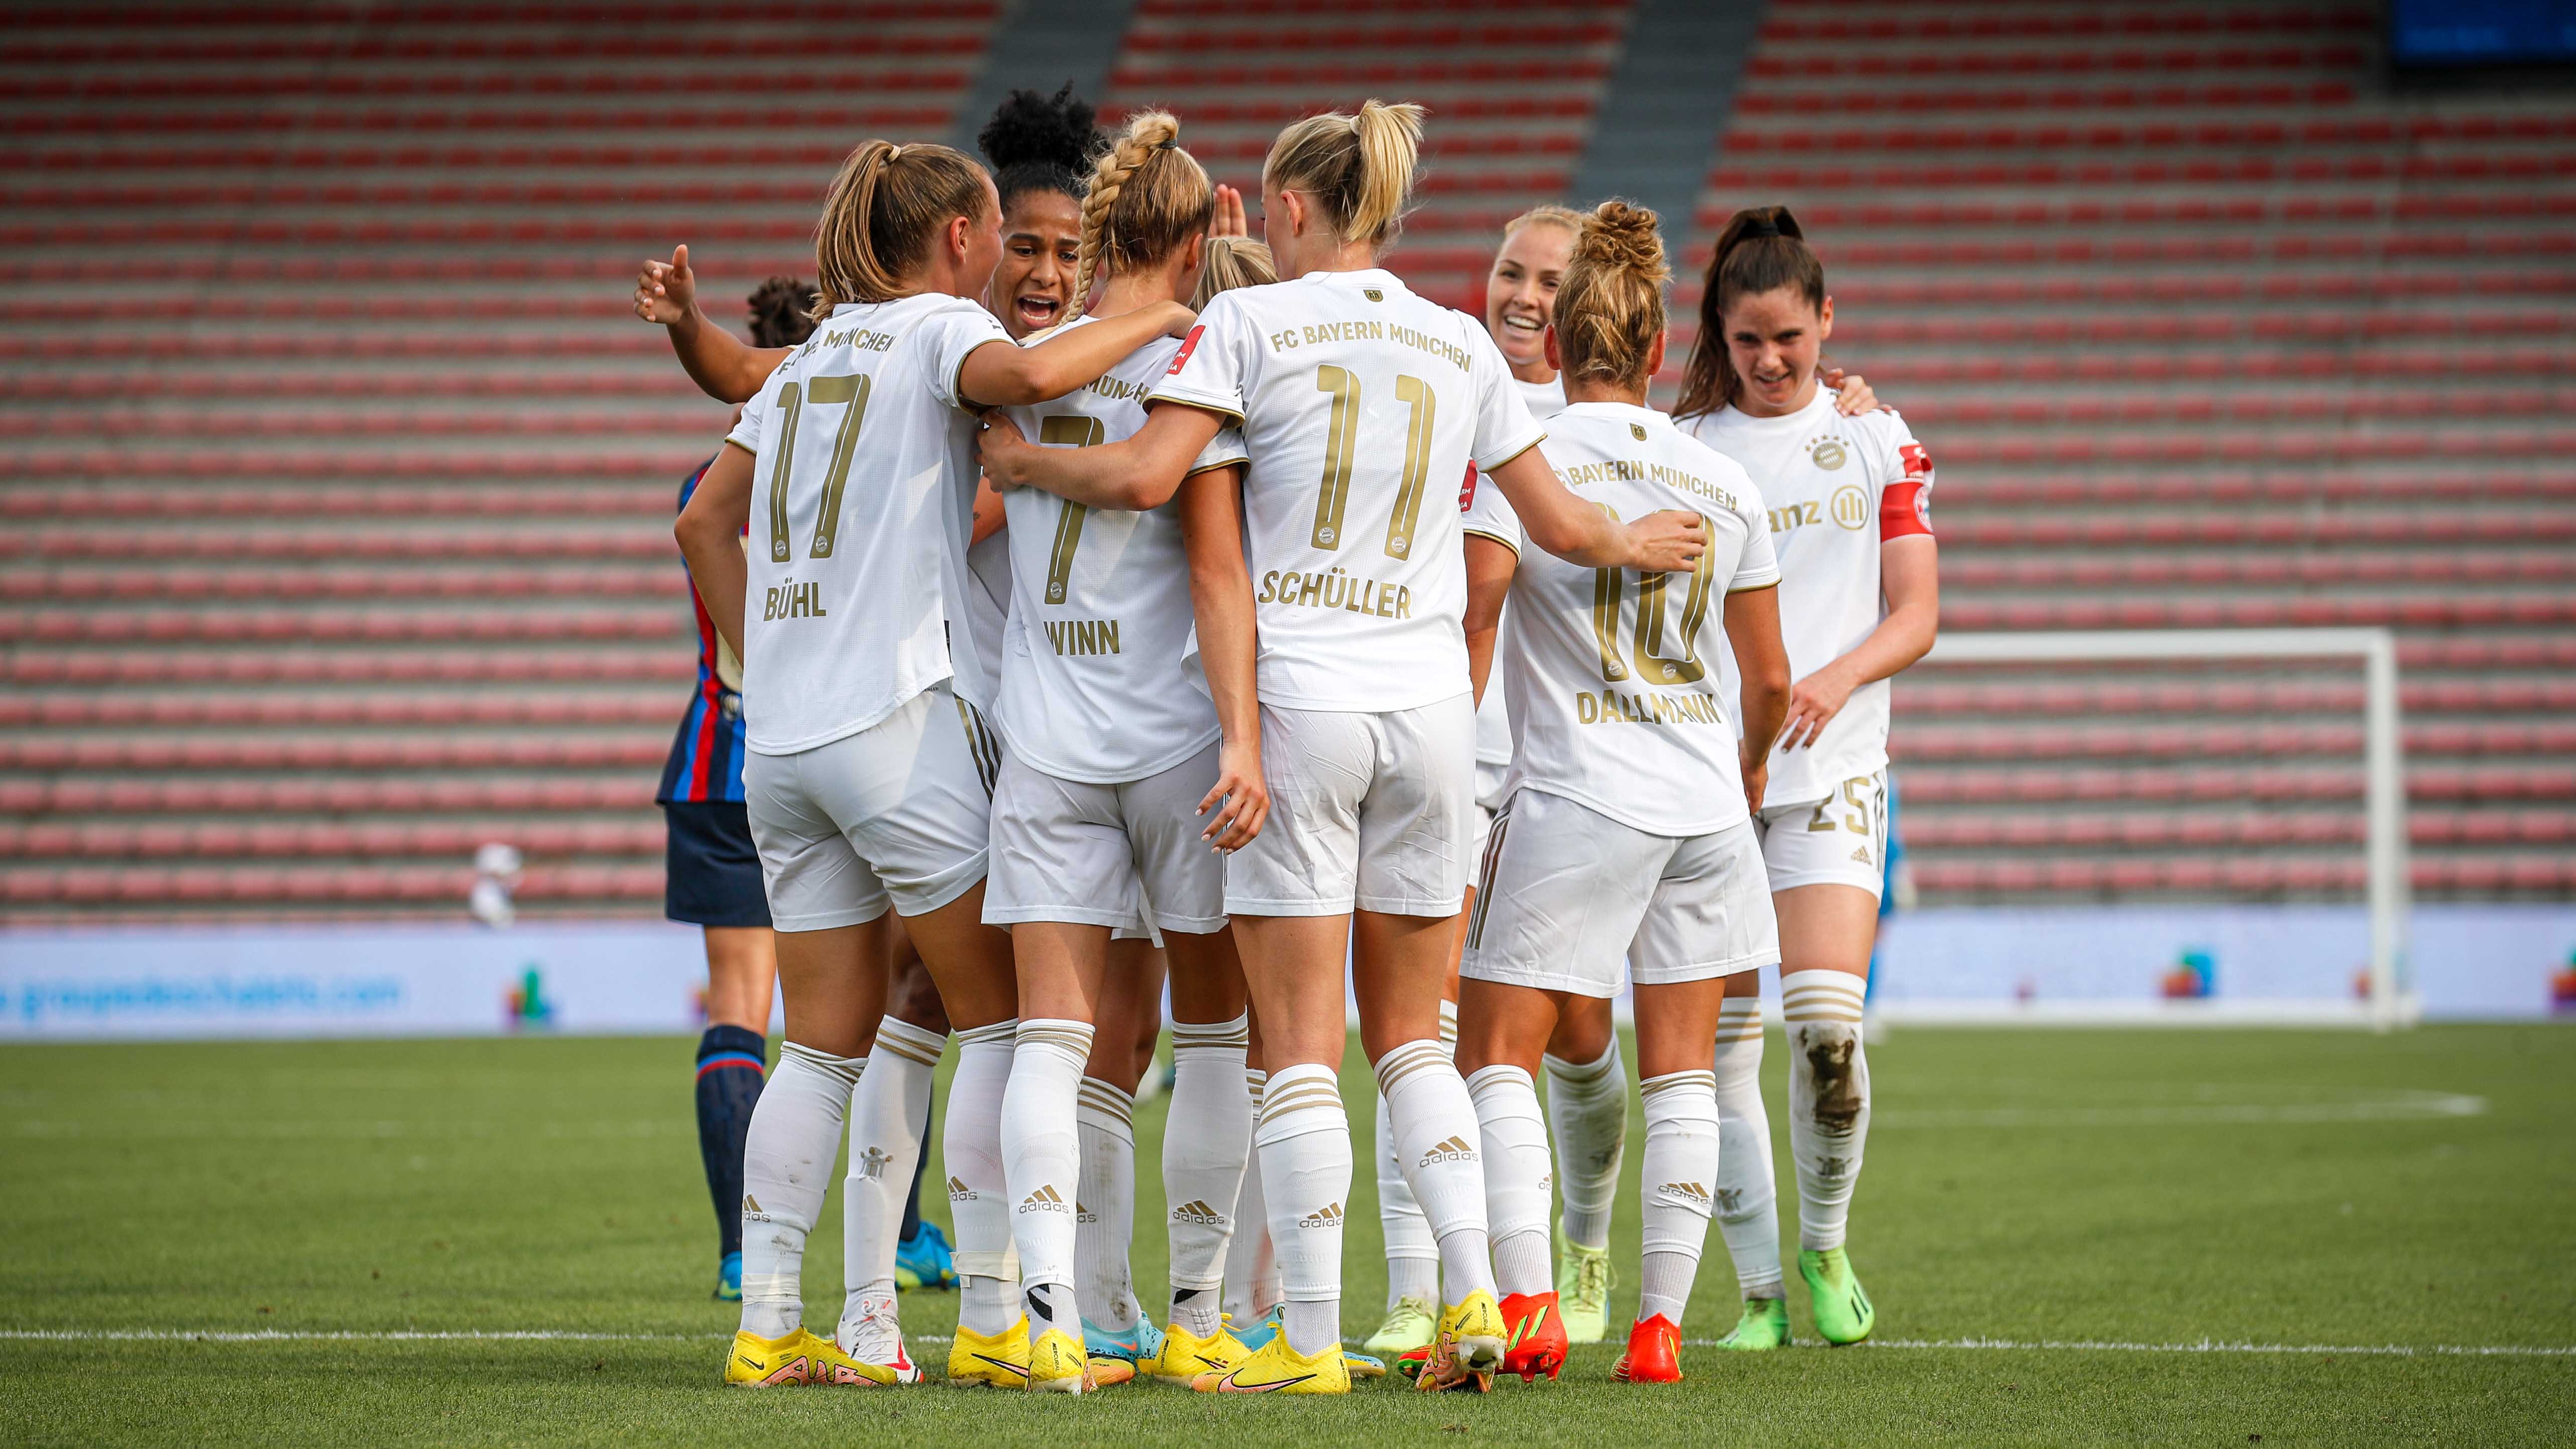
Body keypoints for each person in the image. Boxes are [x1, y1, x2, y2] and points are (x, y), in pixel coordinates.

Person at [978, 99, 1706, 1396]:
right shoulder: (1458, 339)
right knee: (1415, 1039)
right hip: (1432, 713)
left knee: (1302, 1047)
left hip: (1303, 707)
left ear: (1294, 212)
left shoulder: (1243, 325)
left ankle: (1307, 1343)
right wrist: (1629, 539)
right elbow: (1556, 521)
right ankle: (1471, 1299)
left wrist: (1032, 474)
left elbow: (1172, 500)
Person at [673, 136, 1193, 1390]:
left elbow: (698, 517)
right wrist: (1167, 305)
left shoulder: (806, 361)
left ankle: (777, 1325)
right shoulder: (923, 337)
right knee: (1011, 1021)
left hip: (782, 747)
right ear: (960, 237)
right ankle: (1001, 1316)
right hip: (895, 732)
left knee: (821, 1046)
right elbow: (1026, 370)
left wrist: (777, 658)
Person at [977, 108, 1292, 1390]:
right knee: (1210, 1042)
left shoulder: (1035, 355)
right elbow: (1216, 573)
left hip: (1044, 742)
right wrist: (1241, 736)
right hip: (1169, 747)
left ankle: (1048, 1320)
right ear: (1205, 229)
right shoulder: (1199, 361)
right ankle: (1191, 1316)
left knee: (1049, 1042)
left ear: (1099, 233)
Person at [1449, 199, 1790, 1386]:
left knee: (1490, 1052)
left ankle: (1533, 1303)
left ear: (1564, 339)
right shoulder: (1722, 479)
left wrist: (1444, 769)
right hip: (1703, 803)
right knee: (1685, 1069)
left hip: (1578, 793)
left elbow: (1477, 618)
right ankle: (1655, 1333)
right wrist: (1745, 770)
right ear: (1654, 351)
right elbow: (1774, 679)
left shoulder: (1526, 468)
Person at [1673, 204, 1940, 1352]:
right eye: (1748, 342)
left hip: (1833, 767)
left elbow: (1918, 613)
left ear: (1827, 321)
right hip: (1710, 780)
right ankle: (1759, 1297)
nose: (1772, 360)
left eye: (1789, 336)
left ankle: (1824, 1247)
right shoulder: (1678, 442)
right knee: (1720, 1045)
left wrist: (1824, 681)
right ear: (1719, 339)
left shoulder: (1878, 437)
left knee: (1826, 1024)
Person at [664, 277, 811, 1306]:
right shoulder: (839, 481)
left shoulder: (699, 488)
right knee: (879, 1006)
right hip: (827, 749)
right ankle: (904, 1236)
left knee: (738, 1008)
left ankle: (736, 1249)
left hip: (719, 750)